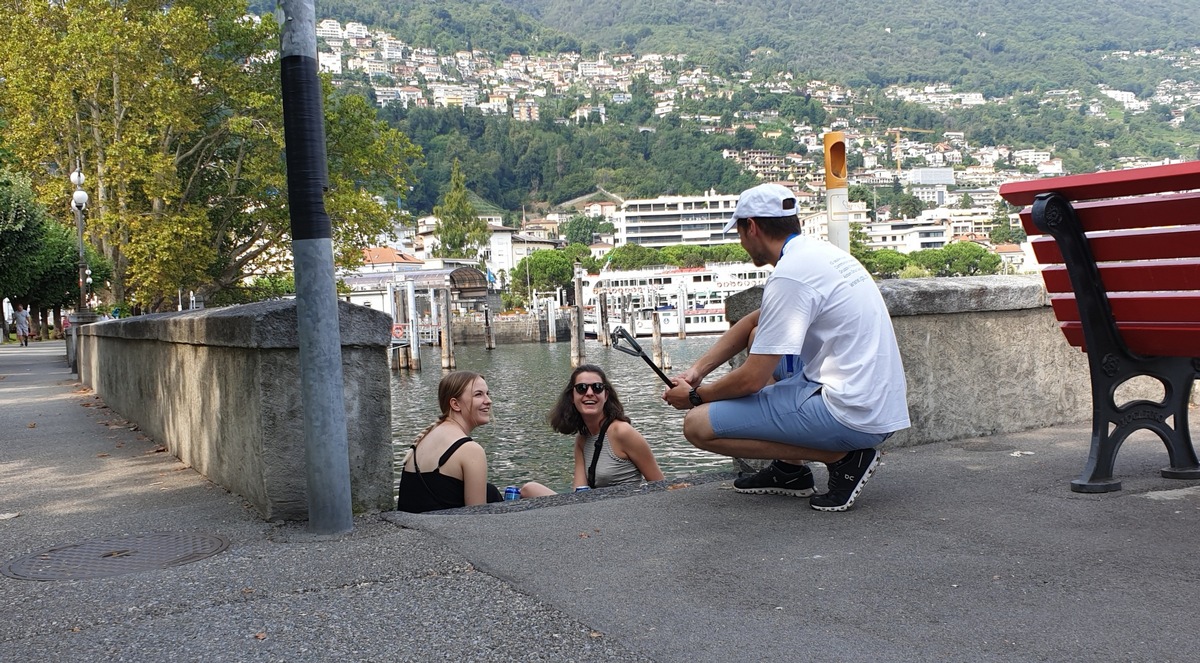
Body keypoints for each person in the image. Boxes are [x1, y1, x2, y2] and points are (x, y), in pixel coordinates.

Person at [662, 183, 910, 512]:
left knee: (697, 425)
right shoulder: (816, 255)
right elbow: (753, 322)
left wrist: (694, 396)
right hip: (874, 403)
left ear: (751, 227)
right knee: (756, 339)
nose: (740, 241)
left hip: (852, 414)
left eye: (738, 231)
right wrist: (696, 372)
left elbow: (751, 379)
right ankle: (788, 472)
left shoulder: (790, 276)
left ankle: (845, 458)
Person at [397, 370, 553, 513]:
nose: (489, 401)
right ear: (455, 404)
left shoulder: (424, 440)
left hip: (419, 533)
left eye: (487, 393)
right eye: (479, 394)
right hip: (449, 537)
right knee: (528, 491)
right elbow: (477, 520)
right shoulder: (470, 450)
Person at [550, 364, 664, 490]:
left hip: (628, 506)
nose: (589, 393)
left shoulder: (622, 432)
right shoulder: (582, 440)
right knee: (530, 489)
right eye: (581, 388)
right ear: (572, 396)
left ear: (606, 395)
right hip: (594, 507)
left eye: (597, 388)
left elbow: (660, 485)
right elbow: (579, 494)